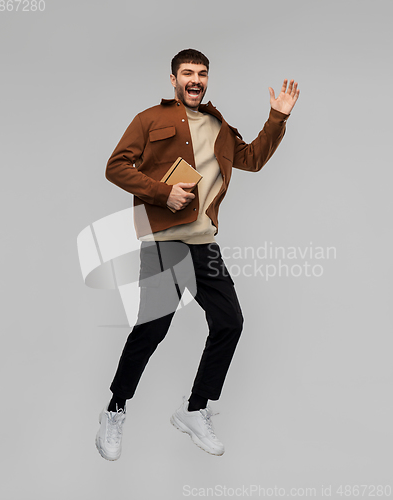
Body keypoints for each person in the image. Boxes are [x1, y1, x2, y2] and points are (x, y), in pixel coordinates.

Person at [95, 48, 300, 461]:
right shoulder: (149, 119)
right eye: (187, 72)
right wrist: (161, 192)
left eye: (202, 73)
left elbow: (254, 159)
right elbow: (115, 166)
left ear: (207, 80)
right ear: (173, 79)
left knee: (230, 322)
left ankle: (195, 409)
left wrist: (278, 117)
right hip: (163, 242)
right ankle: (114, 410)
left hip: (203, 243)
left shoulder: (219, 125)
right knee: (152, 330)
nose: (195, 79)